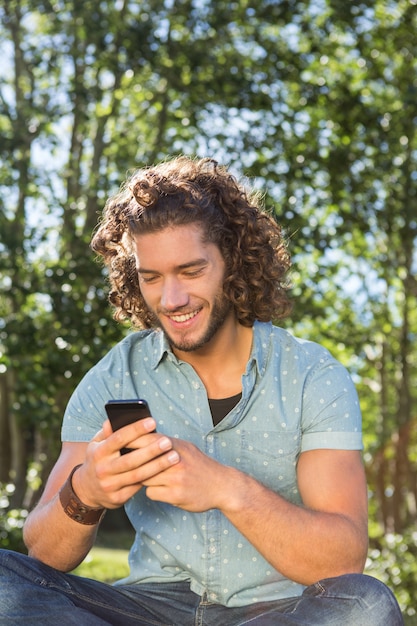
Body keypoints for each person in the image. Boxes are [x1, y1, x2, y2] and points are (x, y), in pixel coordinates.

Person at [0, 156, 403, 625]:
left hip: (278, 612)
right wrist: (87, 490)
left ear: (232, 260)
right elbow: (44, 555)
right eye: (151, 277)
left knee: (366, 605)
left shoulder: (313, 375)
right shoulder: (114, 375)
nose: (170, 300)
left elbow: (343, 560)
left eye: (190, 271)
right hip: (147, 609)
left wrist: (226, 488)